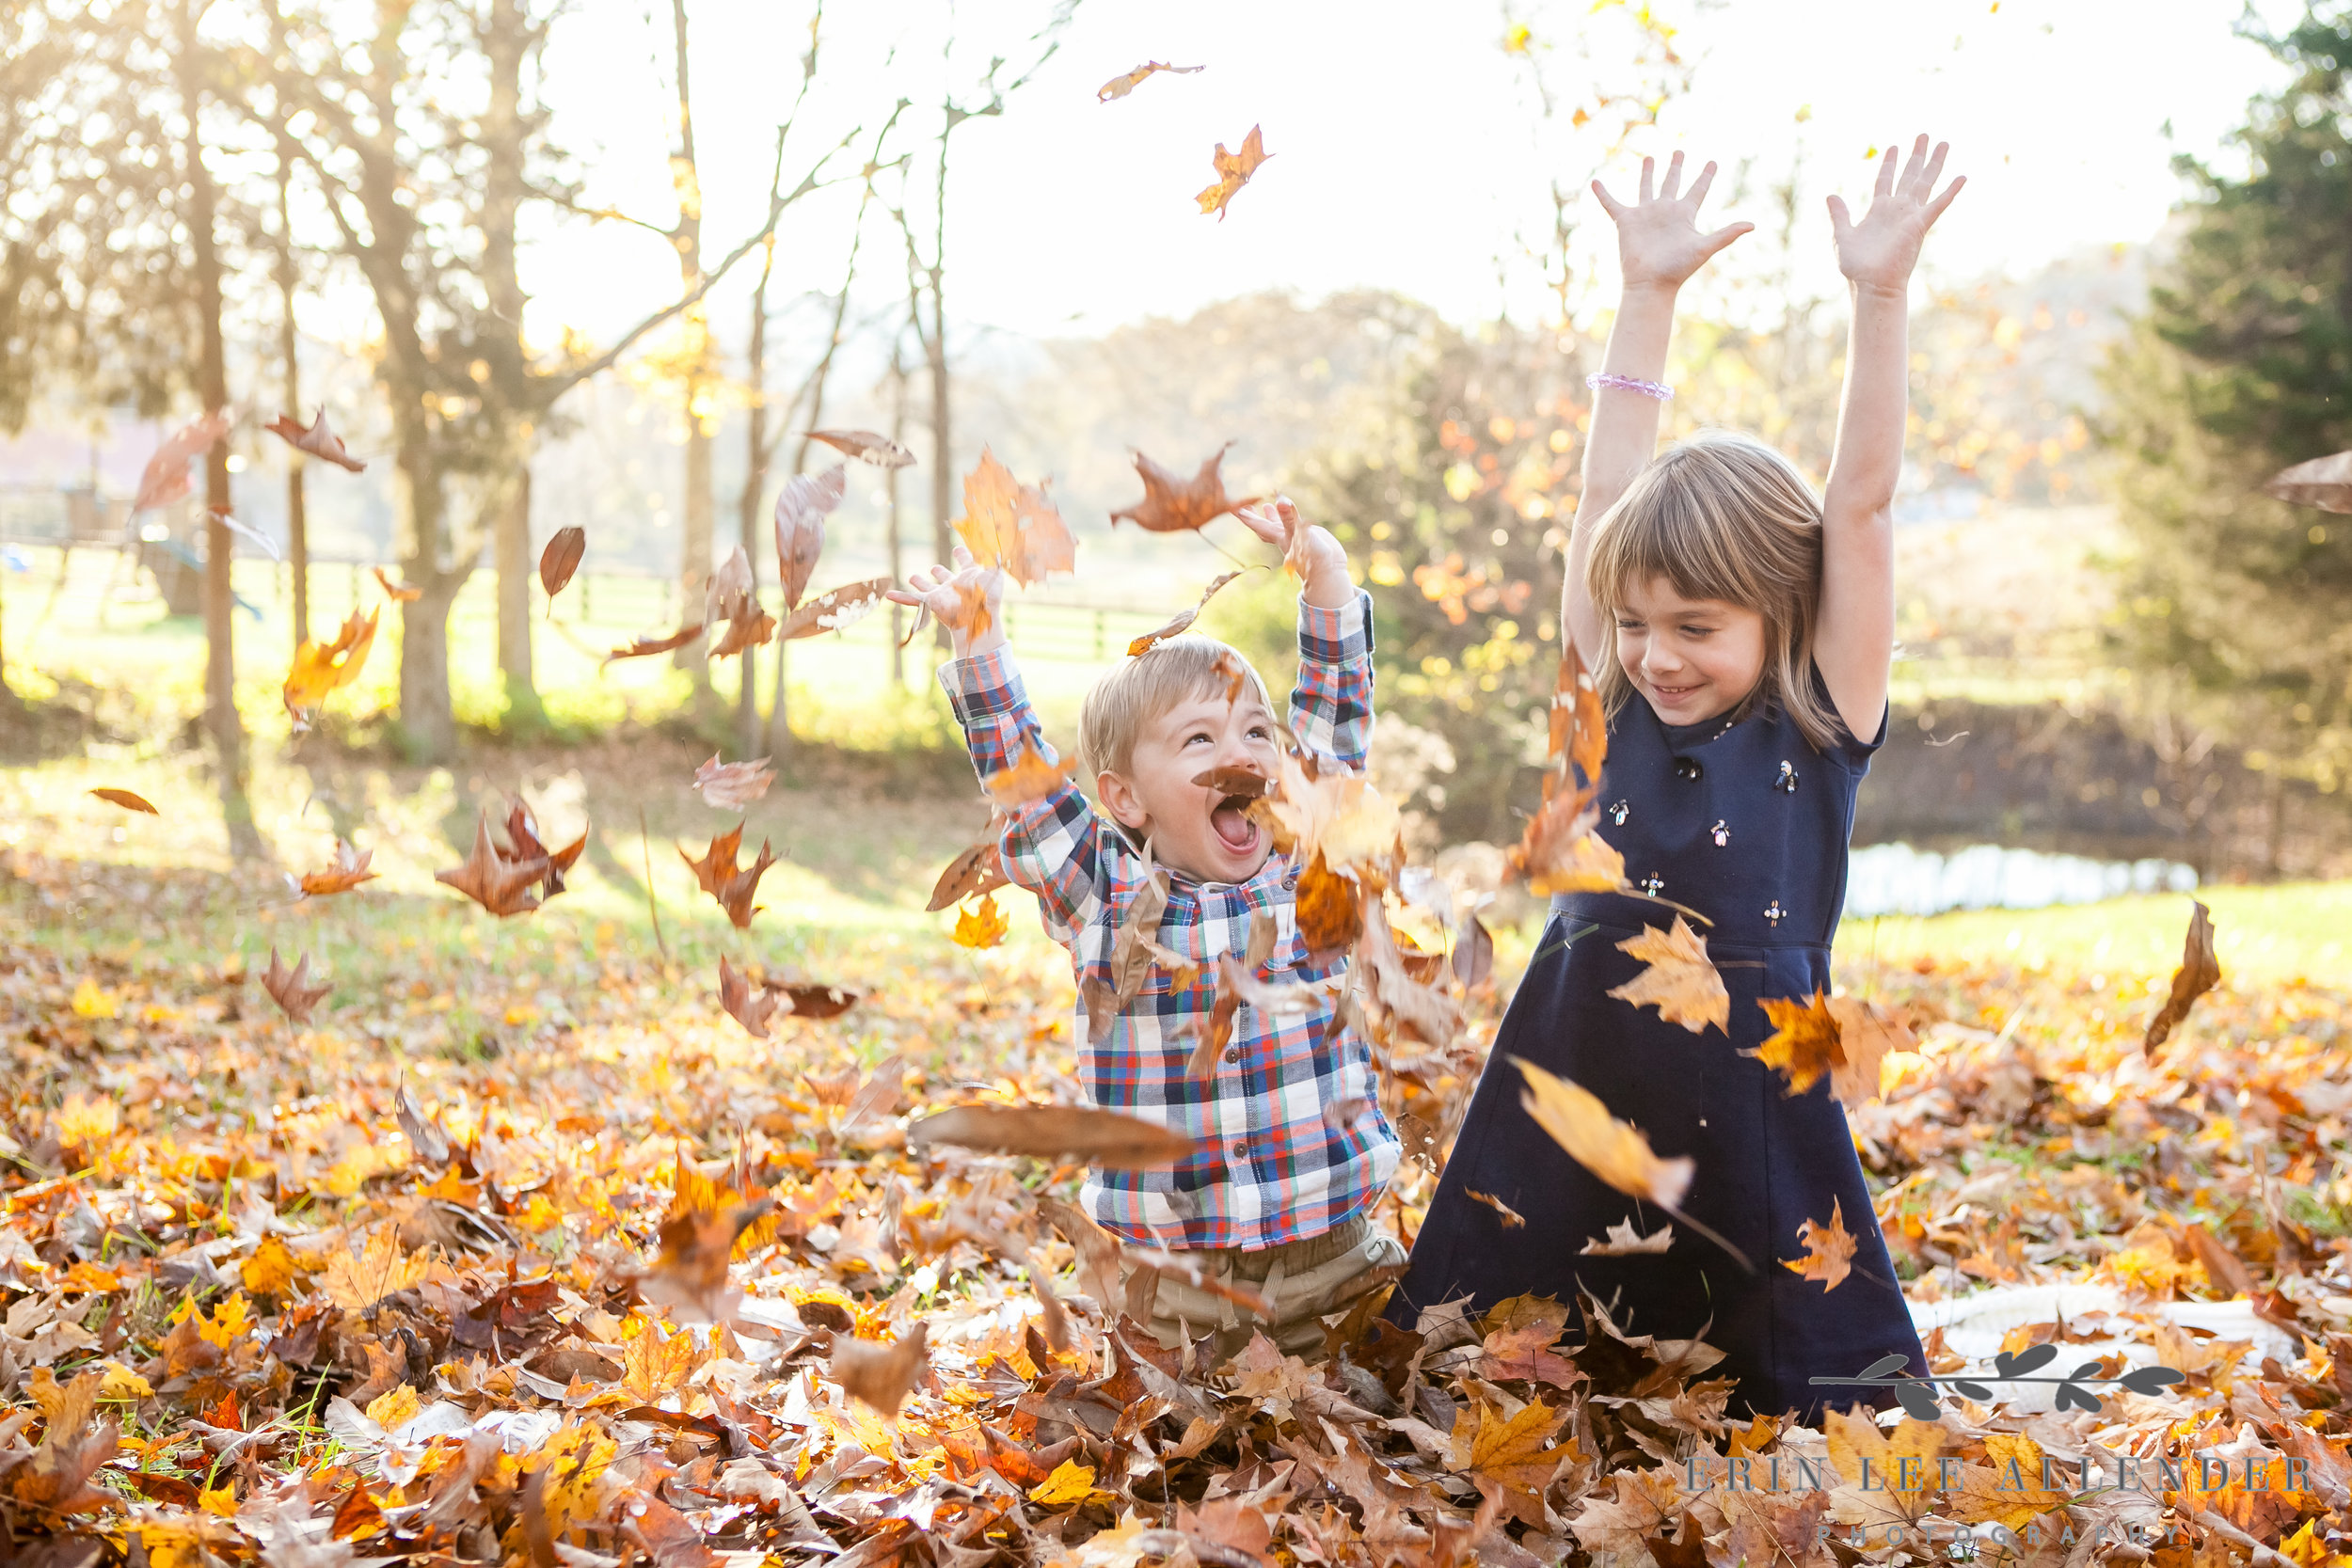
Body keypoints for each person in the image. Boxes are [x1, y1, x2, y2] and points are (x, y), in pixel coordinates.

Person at [1391, 138, 1963, 1417]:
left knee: (1791, 1389)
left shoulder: (1822, 715)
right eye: (1638, 619)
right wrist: (1646, 294)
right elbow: (1607, 493)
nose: (1655, 653)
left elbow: (1859, 507)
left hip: (1751, 1090)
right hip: (1577, 1057)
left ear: (1781, 613)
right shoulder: (1610, 695)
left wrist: (1880, 298)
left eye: (1696, 626)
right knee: (1507, 1365)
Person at [892, 499, 1406, 1359]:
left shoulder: (1311, 868)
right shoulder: (1105, 899)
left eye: (1254, 731)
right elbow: (1027, 790)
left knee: (1375, 1427)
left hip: (1337, 1269)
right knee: (1164, 1452)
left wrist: (1326, 579)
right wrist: (976, 643)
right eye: (1198, 738)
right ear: (1125, 795)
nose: (1238, 753)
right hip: (1173, 1290)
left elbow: (1335, 725)